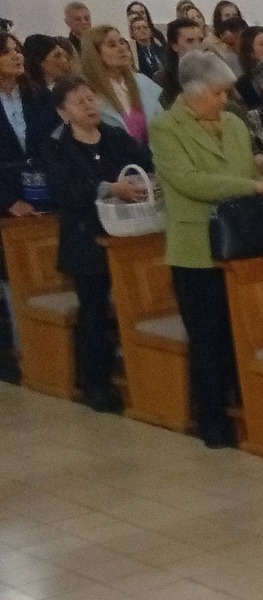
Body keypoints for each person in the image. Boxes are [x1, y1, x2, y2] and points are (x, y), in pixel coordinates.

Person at [152, 50, 263, 448]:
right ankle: (213, 419)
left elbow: (246, 171)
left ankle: (248, 410)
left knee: (242, 334)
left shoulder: (233, 123)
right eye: (217, 93)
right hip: (196, 246)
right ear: (192, 91)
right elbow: (190, 181)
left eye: (226, 92)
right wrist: (257, 186)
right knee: (207, 337)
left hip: (239, 244)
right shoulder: (166, 127)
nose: (224, 100)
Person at [45, 75, 152, 411]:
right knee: (93, 311)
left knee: (138, 305)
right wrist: (108, 189)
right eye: (79, 102)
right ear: (63, 113)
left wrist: (135, 185)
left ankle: (143, 380)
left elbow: (145, 166)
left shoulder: (116, 137)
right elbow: (65, 192)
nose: (89, 105)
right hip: (85, 240)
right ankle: (96, 386)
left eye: (91, 98)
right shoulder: (56, 146)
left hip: (128, 237)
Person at [0, 31, 58, 218]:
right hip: (7, 202)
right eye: (6, 52)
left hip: (48, 194)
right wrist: (7, 202)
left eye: (17, 50)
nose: (16, 56)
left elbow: (59, 142)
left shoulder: (41, 96)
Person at [78, 23, 162, 143]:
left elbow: (163, 126)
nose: (122, 48)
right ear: (95, 54)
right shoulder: (88, 94)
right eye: (112, 45)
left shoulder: (144, 83)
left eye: (122, 42)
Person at [156, 18, 207, 111]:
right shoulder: (162, 79)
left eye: (200, 40)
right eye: (190, 41)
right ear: (174, 46)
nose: (197, 46)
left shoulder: (212, 73)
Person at [129, 10, 170, 85]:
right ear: (132, 34)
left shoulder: (161, 49)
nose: (142, 30)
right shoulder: (135, 55)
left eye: (145, 27)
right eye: (138, 28)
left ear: (150, 31)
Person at [205, 2, 247, 73]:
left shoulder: (245, 38)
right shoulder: (210, 43)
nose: (231, 18)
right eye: (227, 15)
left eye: (235, 15)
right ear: (219, 19)